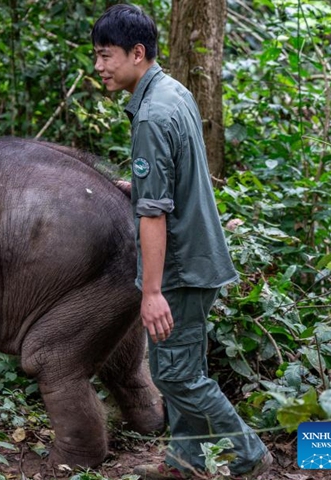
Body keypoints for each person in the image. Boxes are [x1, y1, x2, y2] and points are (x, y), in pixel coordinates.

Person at [90, 4, 272, 479]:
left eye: (106, 56)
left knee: (175, 374)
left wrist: (151, 293)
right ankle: (184, 460)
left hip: (182, 268)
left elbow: (155, 216)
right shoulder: (174, 92)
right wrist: (141, 187)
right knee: (184, 368)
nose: (99, 67)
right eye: (96, 56)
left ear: (136, 53)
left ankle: (249, 453)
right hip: (202, 258)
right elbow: (177, 177)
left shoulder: (151, 116)